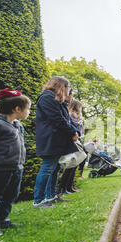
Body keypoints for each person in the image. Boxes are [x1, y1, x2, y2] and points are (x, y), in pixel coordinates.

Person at [0, 89, 31, 237]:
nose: (29, 112)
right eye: (28, 109)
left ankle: (1, 219)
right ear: (17, 109)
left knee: (11, 194)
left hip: (15, 167)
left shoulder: (18, 125)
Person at [33, 76, 80, 209]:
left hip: (57, 140)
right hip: (50, 140)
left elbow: (67, 120)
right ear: (61, 86)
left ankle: (51, 196)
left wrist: (75, 131)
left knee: (55, 169)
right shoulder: (47, 98)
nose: (68, 90)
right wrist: (72, 132)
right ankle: (39, 201)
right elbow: (57, 120)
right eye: (67, 87)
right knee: (47, 168)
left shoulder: (57, 100)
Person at [59, 98, 84, 195]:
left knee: (74, 165)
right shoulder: (71, 116)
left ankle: (69, 187)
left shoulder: (77, 117)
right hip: (71, 142)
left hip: (77, 140)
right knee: (70, 165)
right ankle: (63, 188)